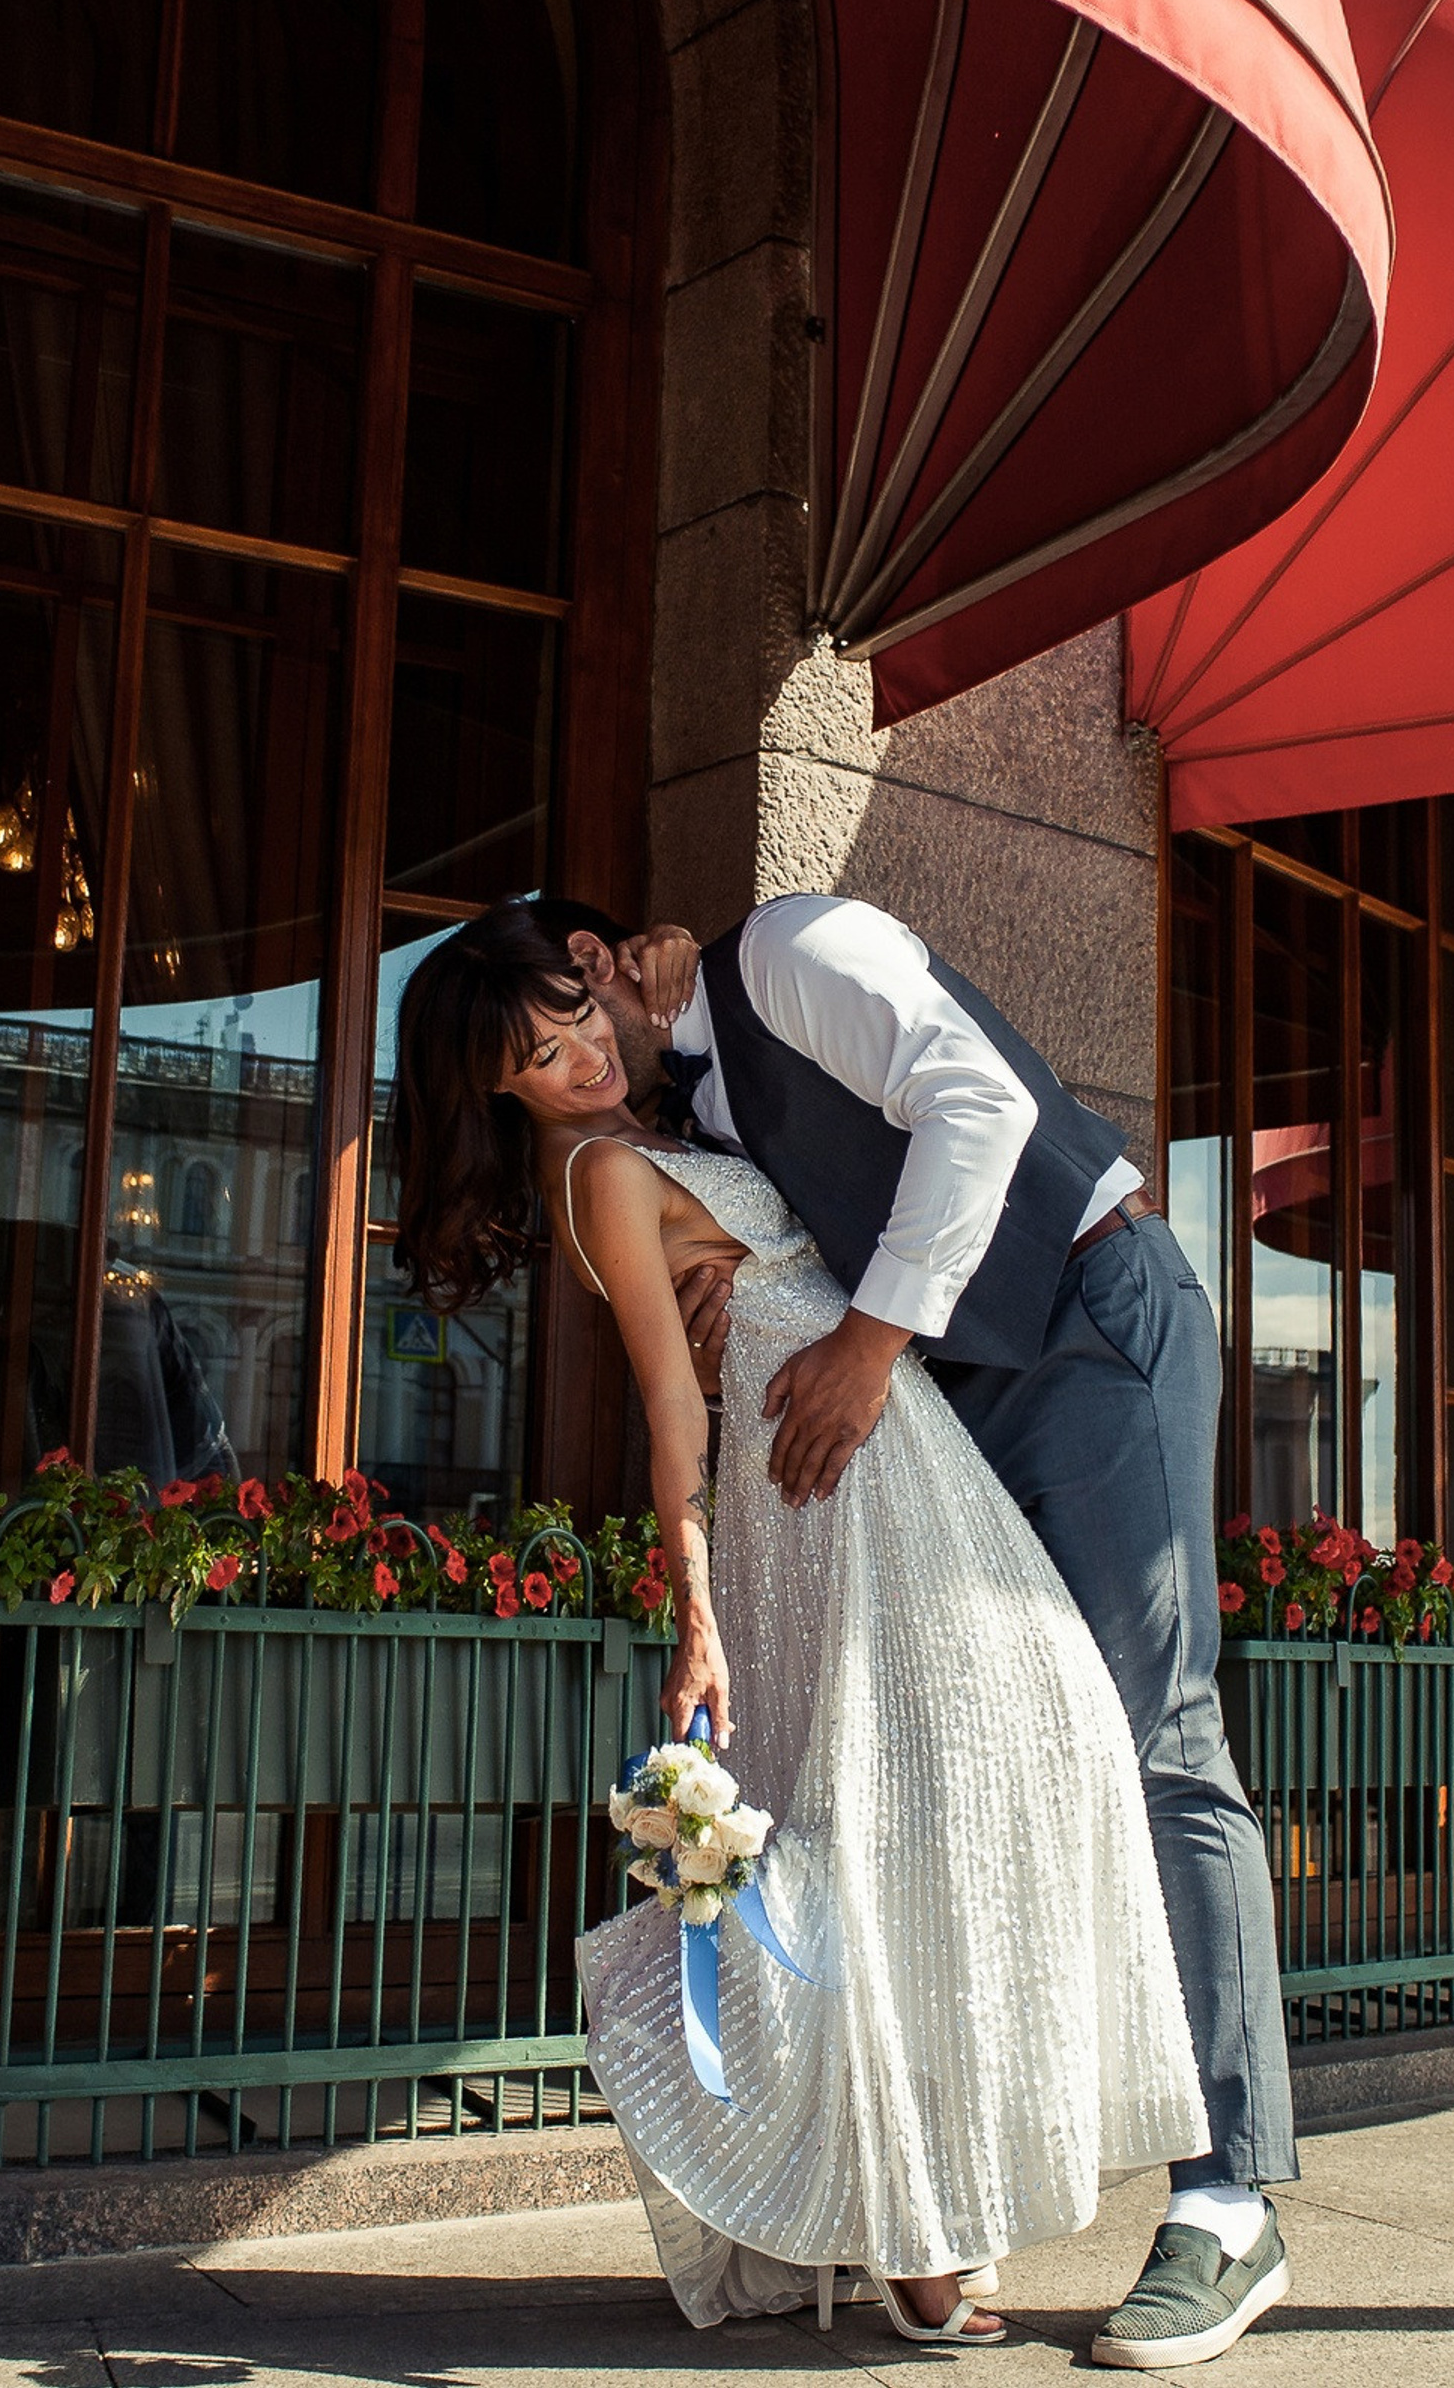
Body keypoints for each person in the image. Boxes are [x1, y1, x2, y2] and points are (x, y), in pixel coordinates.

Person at [394, 904, 1207, 2348]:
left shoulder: (691, 1094)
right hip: (819, 1482)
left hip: (894, 1453)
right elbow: (666, 1411)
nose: (574, 1056)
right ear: (498, 1091)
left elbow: (874, 1160)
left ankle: (926, 2199)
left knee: (1023, 1756)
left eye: (569, 1017)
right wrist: (696, 1610)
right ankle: (910, 2234)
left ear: (592, 970)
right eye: (533, 1057)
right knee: (898, 1815)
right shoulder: (601, 1173)